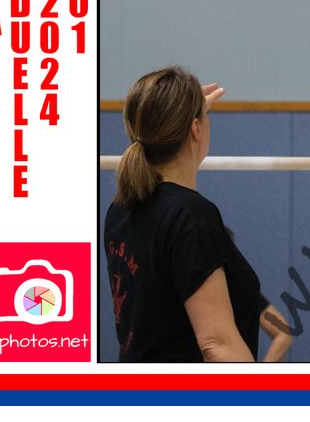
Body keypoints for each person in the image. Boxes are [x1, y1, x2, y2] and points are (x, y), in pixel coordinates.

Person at [104, 66, 292, 362]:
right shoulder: (190, 217)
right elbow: (217, 345)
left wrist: (181, 111)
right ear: (195, 130)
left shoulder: (121, 210)